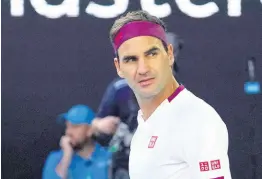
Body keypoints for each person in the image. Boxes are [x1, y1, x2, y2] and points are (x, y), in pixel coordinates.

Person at [106, 10, 232, 179]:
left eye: (152, 54)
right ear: (119, 67)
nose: (143, 69)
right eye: (131, 59)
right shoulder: (143, 124)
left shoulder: (197, 120)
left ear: (170, 54)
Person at [91, 35, 184, 179]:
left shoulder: (178, 96)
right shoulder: (120, 89)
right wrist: (99, 125)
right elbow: (95, 126)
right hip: (125, 166)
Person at [42, 104, 112, 179]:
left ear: (90, 130)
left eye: (75, 127)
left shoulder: (109, 156)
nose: (68, 132)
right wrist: (67, 156)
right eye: (67, 127)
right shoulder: (55, 158)